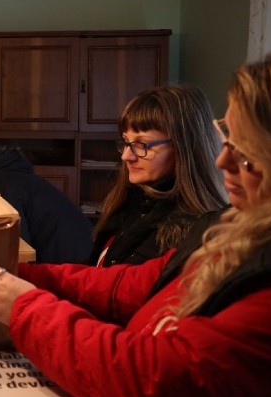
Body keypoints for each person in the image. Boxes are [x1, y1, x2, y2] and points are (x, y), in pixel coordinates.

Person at [0, 49, 271, 397]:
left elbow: (150, 384)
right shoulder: (229, 232)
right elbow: (122, 286)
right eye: (227, 138)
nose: (222, 162)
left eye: (246, 154)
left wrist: (25, 307)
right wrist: (19, 273)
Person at [91, 84, 227, 267]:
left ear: (184, 147)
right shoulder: (129, 202)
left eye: (142, 144)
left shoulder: (190, 232)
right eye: (126, 142)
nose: (126, 156)